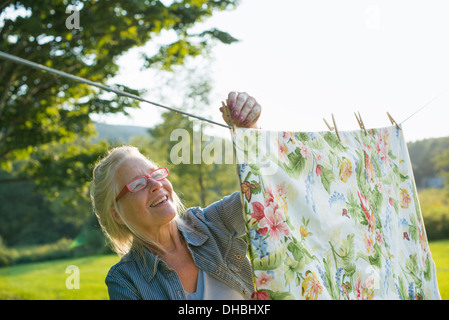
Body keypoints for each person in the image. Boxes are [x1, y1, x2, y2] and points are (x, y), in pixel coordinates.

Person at [90, 92, 262, 300]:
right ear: (116, 213)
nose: (155, 184)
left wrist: (250, 132)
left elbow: (265, 194)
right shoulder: (125, 280)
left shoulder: (212, 222)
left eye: (155, 173)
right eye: (137, 184)